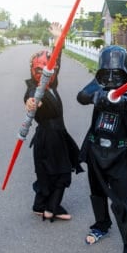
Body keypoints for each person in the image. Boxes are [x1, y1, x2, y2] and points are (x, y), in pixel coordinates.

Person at [77, 45, 127, 253]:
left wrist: (117, 101)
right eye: (106, 72)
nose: (110, 77)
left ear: (124, 71)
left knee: (124, 203)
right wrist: (99, 95)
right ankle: (101, 225)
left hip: (119, 156)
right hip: (96, 151)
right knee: (97, 192)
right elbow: (81, 96)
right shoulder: (99, 86)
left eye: (115, 73)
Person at [24, 22, 83, 222]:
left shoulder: (51, 83)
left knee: (52, 173)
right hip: (48, 139)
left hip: (58, 136)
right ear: (34, 70)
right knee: (61, 174)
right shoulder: (35, 88)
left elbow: (56, 59)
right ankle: (50, 208)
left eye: (50, 71)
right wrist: (31, 103)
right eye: (41, 71)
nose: (46, 74)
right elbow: (31, 98)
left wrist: (59, 39)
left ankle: (40, 206)